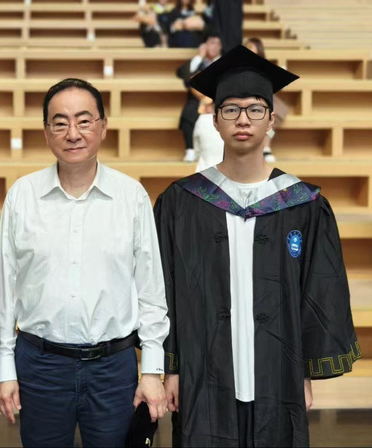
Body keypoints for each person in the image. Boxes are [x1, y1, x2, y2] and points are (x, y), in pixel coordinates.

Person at [154, 45, 360, 447]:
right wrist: (170, 367)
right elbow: (165, 288)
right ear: (215, 120)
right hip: (202, 372)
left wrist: (304, 372)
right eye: (230, 109)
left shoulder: (303, 203)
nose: (243, 119)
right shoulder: (181, 202)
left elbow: (319, 289)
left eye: (254, 109)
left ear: (271, 120)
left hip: (278, 372)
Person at [0, 78, 170, 447]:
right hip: (40, 366)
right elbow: (4, 292)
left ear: (103, 126)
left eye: (84, 121)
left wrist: (153, 370)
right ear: (47, 132)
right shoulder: (23, 196)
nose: (72, 133)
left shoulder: (131, 196)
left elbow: (151, 293)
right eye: (60, 123)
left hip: (113, 368)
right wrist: (4, 368)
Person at [244, 37, 289, 163]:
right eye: (248, 48)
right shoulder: (239, 65)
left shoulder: (265, 66)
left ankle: (266, 147)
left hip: (263, 96)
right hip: (245, 96)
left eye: (253, 48)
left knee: (269, 110)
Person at [178, 34, 222, 162]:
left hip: (219, 99)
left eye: (218, 44)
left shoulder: (225, 62)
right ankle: (190, 149)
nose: (215, 46)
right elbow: (185, 77)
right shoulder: (197, 62)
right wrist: (199, 57)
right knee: (188, 112)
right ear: (205, 45)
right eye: (212, 43)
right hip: (197, 100)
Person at [193, 96, 224, 172]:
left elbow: (196, 145)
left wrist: (196, 155)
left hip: (204, 168)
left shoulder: (202, 119)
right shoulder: (229, 120)